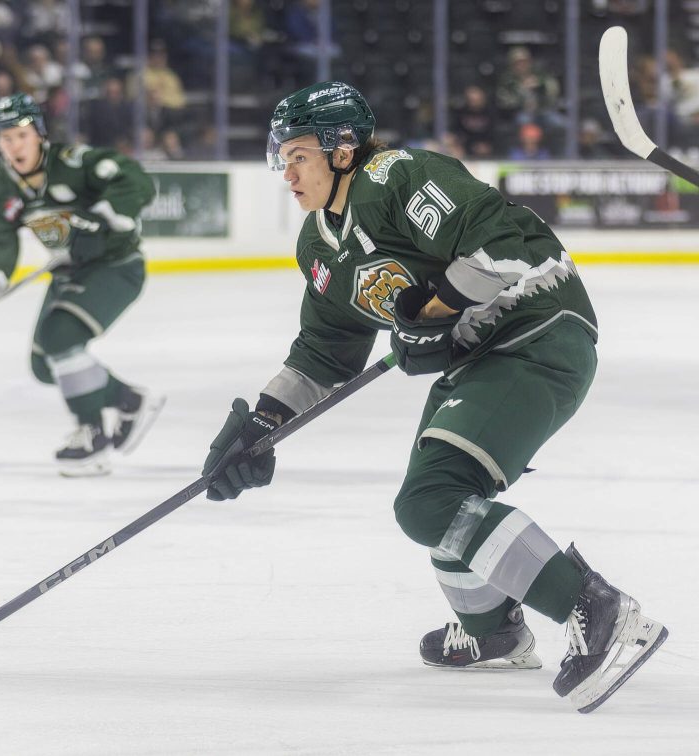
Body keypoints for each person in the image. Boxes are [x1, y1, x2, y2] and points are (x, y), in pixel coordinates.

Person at [200, 81, 668, 713]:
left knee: (431, 502)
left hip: (536, 332)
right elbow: (324, 351)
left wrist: (437, 305)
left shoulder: (398, 177)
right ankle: (492, 632)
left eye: (298, 155)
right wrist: (262, 421)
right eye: (280, 157)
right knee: (436, 495)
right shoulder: (318, 244)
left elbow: (501, 244)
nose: (286, 171)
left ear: (342, 151)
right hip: (480, 359)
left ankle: (599, 610)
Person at [0, 93, 164, 476]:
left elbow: (136, 180)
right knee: (45, 364)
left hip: (116, 266)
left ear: (40, 135)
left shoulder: (74, 163)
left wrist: (101, 222)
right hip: (70, 270)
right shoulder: (2, 188)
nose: (14, 146)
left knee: (60, 337)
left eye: (21, 135)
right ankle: (129, 399)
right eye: (5, 138)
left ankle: (92, 437)